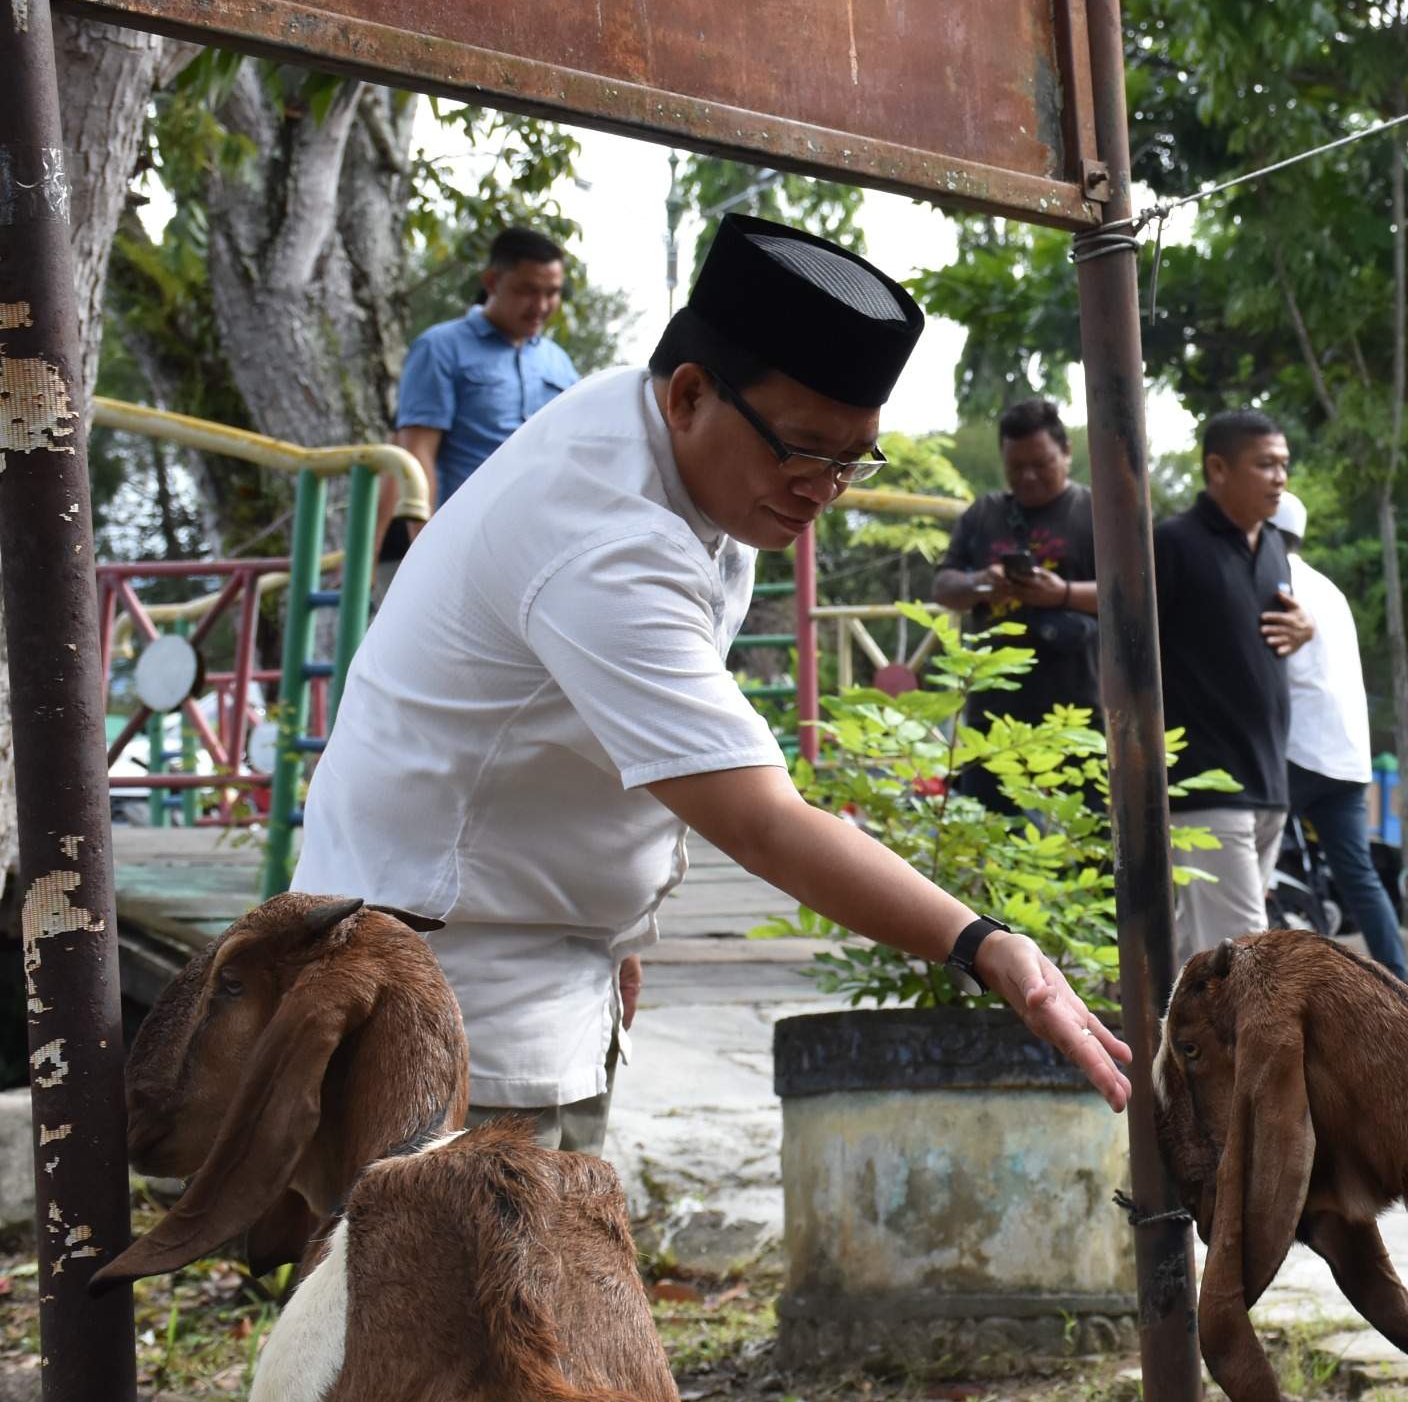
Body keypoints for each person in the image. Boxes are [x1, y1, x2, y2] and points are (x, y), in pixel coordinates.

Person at [296, 214, 1129, 1150]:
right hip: (447, 983)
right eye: (803, 449)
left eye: (853, 459)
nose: (824, 490)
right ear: (691, 393)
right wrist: (984, 944)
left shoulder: (673, 445)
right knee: (442, 1247)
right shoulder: (602, 533)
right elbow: (761, 820)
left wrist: (619, 929)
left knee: (553, 1244)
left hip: (545, 957)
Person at [1155, 410, 1312, 966]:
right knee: (1248, 960)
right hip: (1206, 785)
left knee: (1203, 957)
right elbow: (1125, 644)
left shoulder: (1273, 547)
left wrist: (1307, 628)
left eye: (1284, 465)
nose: (1280, 478)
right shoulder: (1171, 543)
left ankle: (1154, 1024)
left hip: (1268, 782)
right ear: (1218, 468)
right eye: (1265, 465)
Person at [932, 397, 1101, 811]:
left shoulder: (1097, 512)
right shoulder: (984, 513)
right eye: (1015, 467)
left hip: (1078, 710)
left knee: (1086, 832)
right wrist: (981, 583)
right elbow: (942, 586)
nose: (1028, 477)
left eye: (1041, 464)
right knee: (989, 830)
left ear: (1067, 452)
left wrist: (1062, 593)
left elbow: (1135, 596)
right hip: (994, 712)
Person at [1271, 490, 1408, 980]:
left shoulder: (1273, 578)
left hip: (1296, 749)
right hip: (1347, 755)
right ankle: (1401, 986)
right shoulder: (1328, 588)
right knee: (1359, 877)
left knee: (1249, 862)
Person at [391, 226, 582, 532]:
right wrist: (424, 545)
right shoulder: (440, 348)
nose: (541, 306)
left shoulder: (559, 363)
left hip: (540, 536)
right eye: (527, 291)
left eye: (552, 293)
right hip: (464, 535)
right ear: (492, 282)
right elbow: (417, 454)